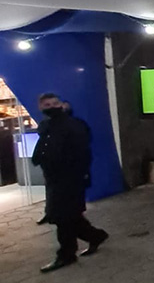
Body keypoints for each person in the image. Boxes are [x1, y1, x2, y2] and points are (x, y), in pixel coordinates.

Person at [32, 93, 108, 273]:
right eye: (47, 105)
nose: (52, 107)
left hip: (70, 178)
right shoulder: (46, 126)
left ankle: (66, 254)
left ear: (62, 104)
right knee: (69, 216)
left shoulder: (73, 125)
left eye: (54, 103)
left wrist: (80, 175)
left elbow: (83, 153)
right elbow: (44, 147)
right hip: (54, 179)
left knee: (63, 217)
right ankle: (95, 236)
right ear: (41, 108)